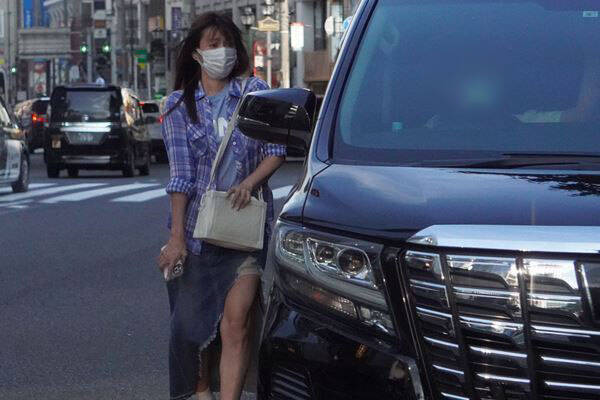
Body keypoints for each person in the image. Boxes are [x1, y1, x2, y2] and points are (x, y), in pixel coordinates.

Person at [158, 12, 286, 400]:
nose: (223, 51)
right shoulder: (178, 106)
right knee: (192, 329)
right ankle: (201, 394)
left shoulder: (255, 92)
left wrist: (250, 182)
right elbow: (180, 177)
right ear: (196, 53)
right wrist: (176, 238)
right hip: (197, 233)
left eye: (228, 43)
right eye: (214, 44)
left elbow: (276, 150)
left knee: (236, 323)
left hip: (244, 229)